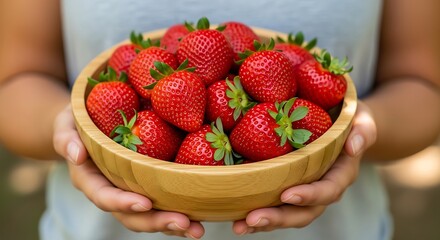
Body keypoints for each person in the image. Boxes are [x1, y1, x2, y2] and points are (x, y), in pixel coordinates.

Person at [0, 0, 439, 239]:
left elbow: (424, 85)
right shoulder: (175, 91)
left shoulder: (267, 88)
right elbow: (16, 80)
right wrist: (64, 128)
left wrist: (361, 128)